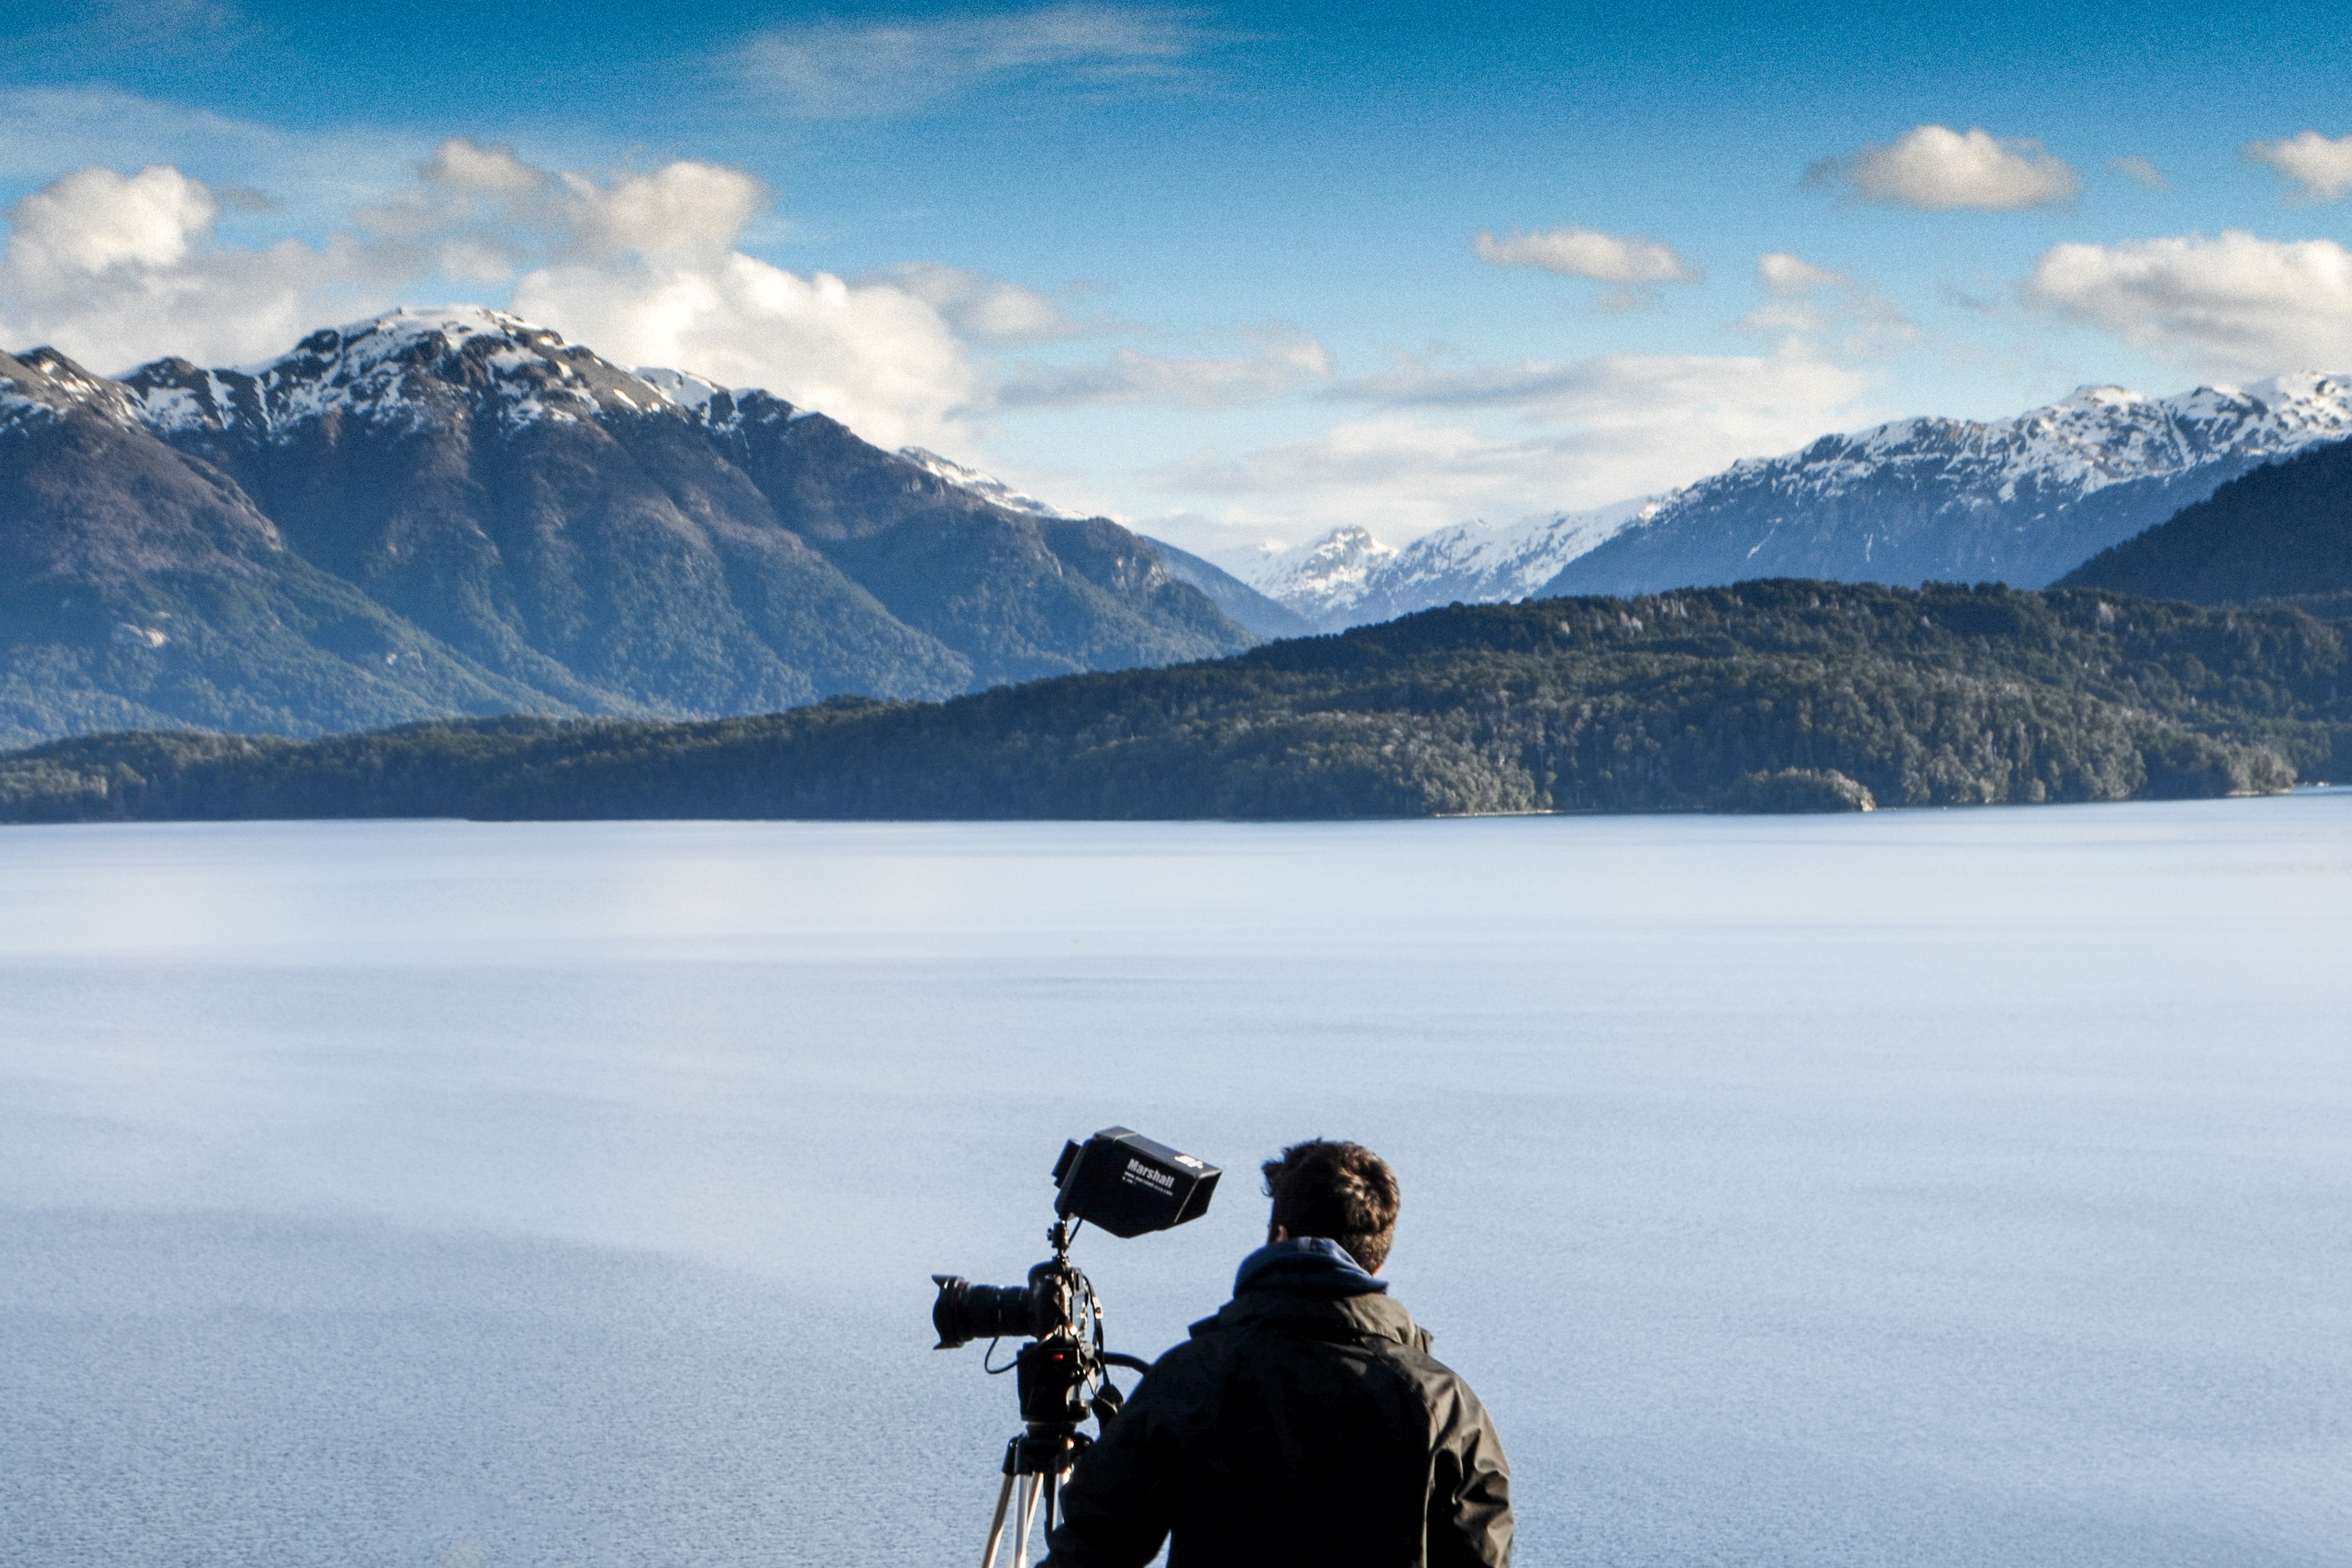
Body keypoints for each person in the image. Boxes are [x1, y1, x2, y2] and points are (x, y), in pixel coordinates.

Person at [1039, 1139, 1512, 1567]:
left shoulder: (1193, 1376)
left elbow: (1092, 1549)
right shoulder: (1444, 1404)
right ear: (1378, 1261)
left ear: (1280, 1237)